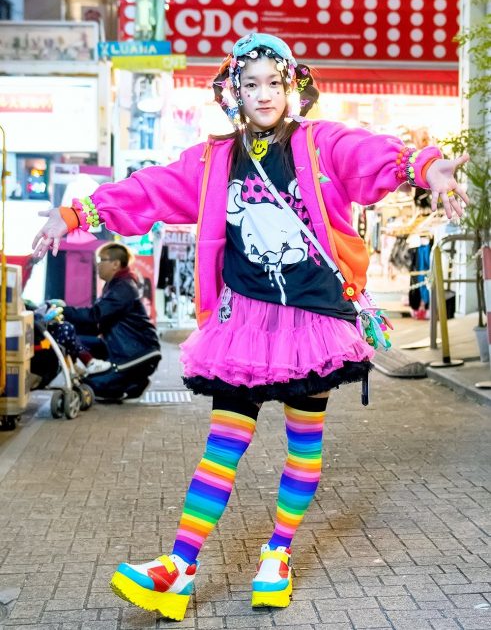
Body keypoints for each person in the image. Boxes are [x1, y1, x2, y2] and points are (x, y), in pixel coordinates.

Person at [32, 33, 469, 621]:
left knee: (303, 440)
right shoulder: (214, 160)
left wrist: (425, 166)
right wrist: (77, 213)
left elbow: (367, 155)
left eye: (274, 82)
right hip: (244, 323)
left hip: (312, 319)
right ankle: (180, 566)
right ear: (232, 91)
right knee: (222, 444)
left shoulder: (321, 142)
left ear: (293, 86)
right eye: (250, 83)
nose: (263, 94)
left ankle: (277, 556)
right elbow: (152, 188)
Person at [58, 242, 161, 399]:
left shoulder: (123, 288)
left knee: (90, 386)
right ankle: (129, 382)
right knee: (74, 339)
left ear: (115, 264)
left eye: (101, 260)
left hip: (137, 353)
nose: (97, 265)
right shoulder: (113, 285)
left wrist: (63, 310)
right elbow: (96, 323)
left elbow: (95, 315)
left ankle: (131, 383)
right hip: (121, 348)